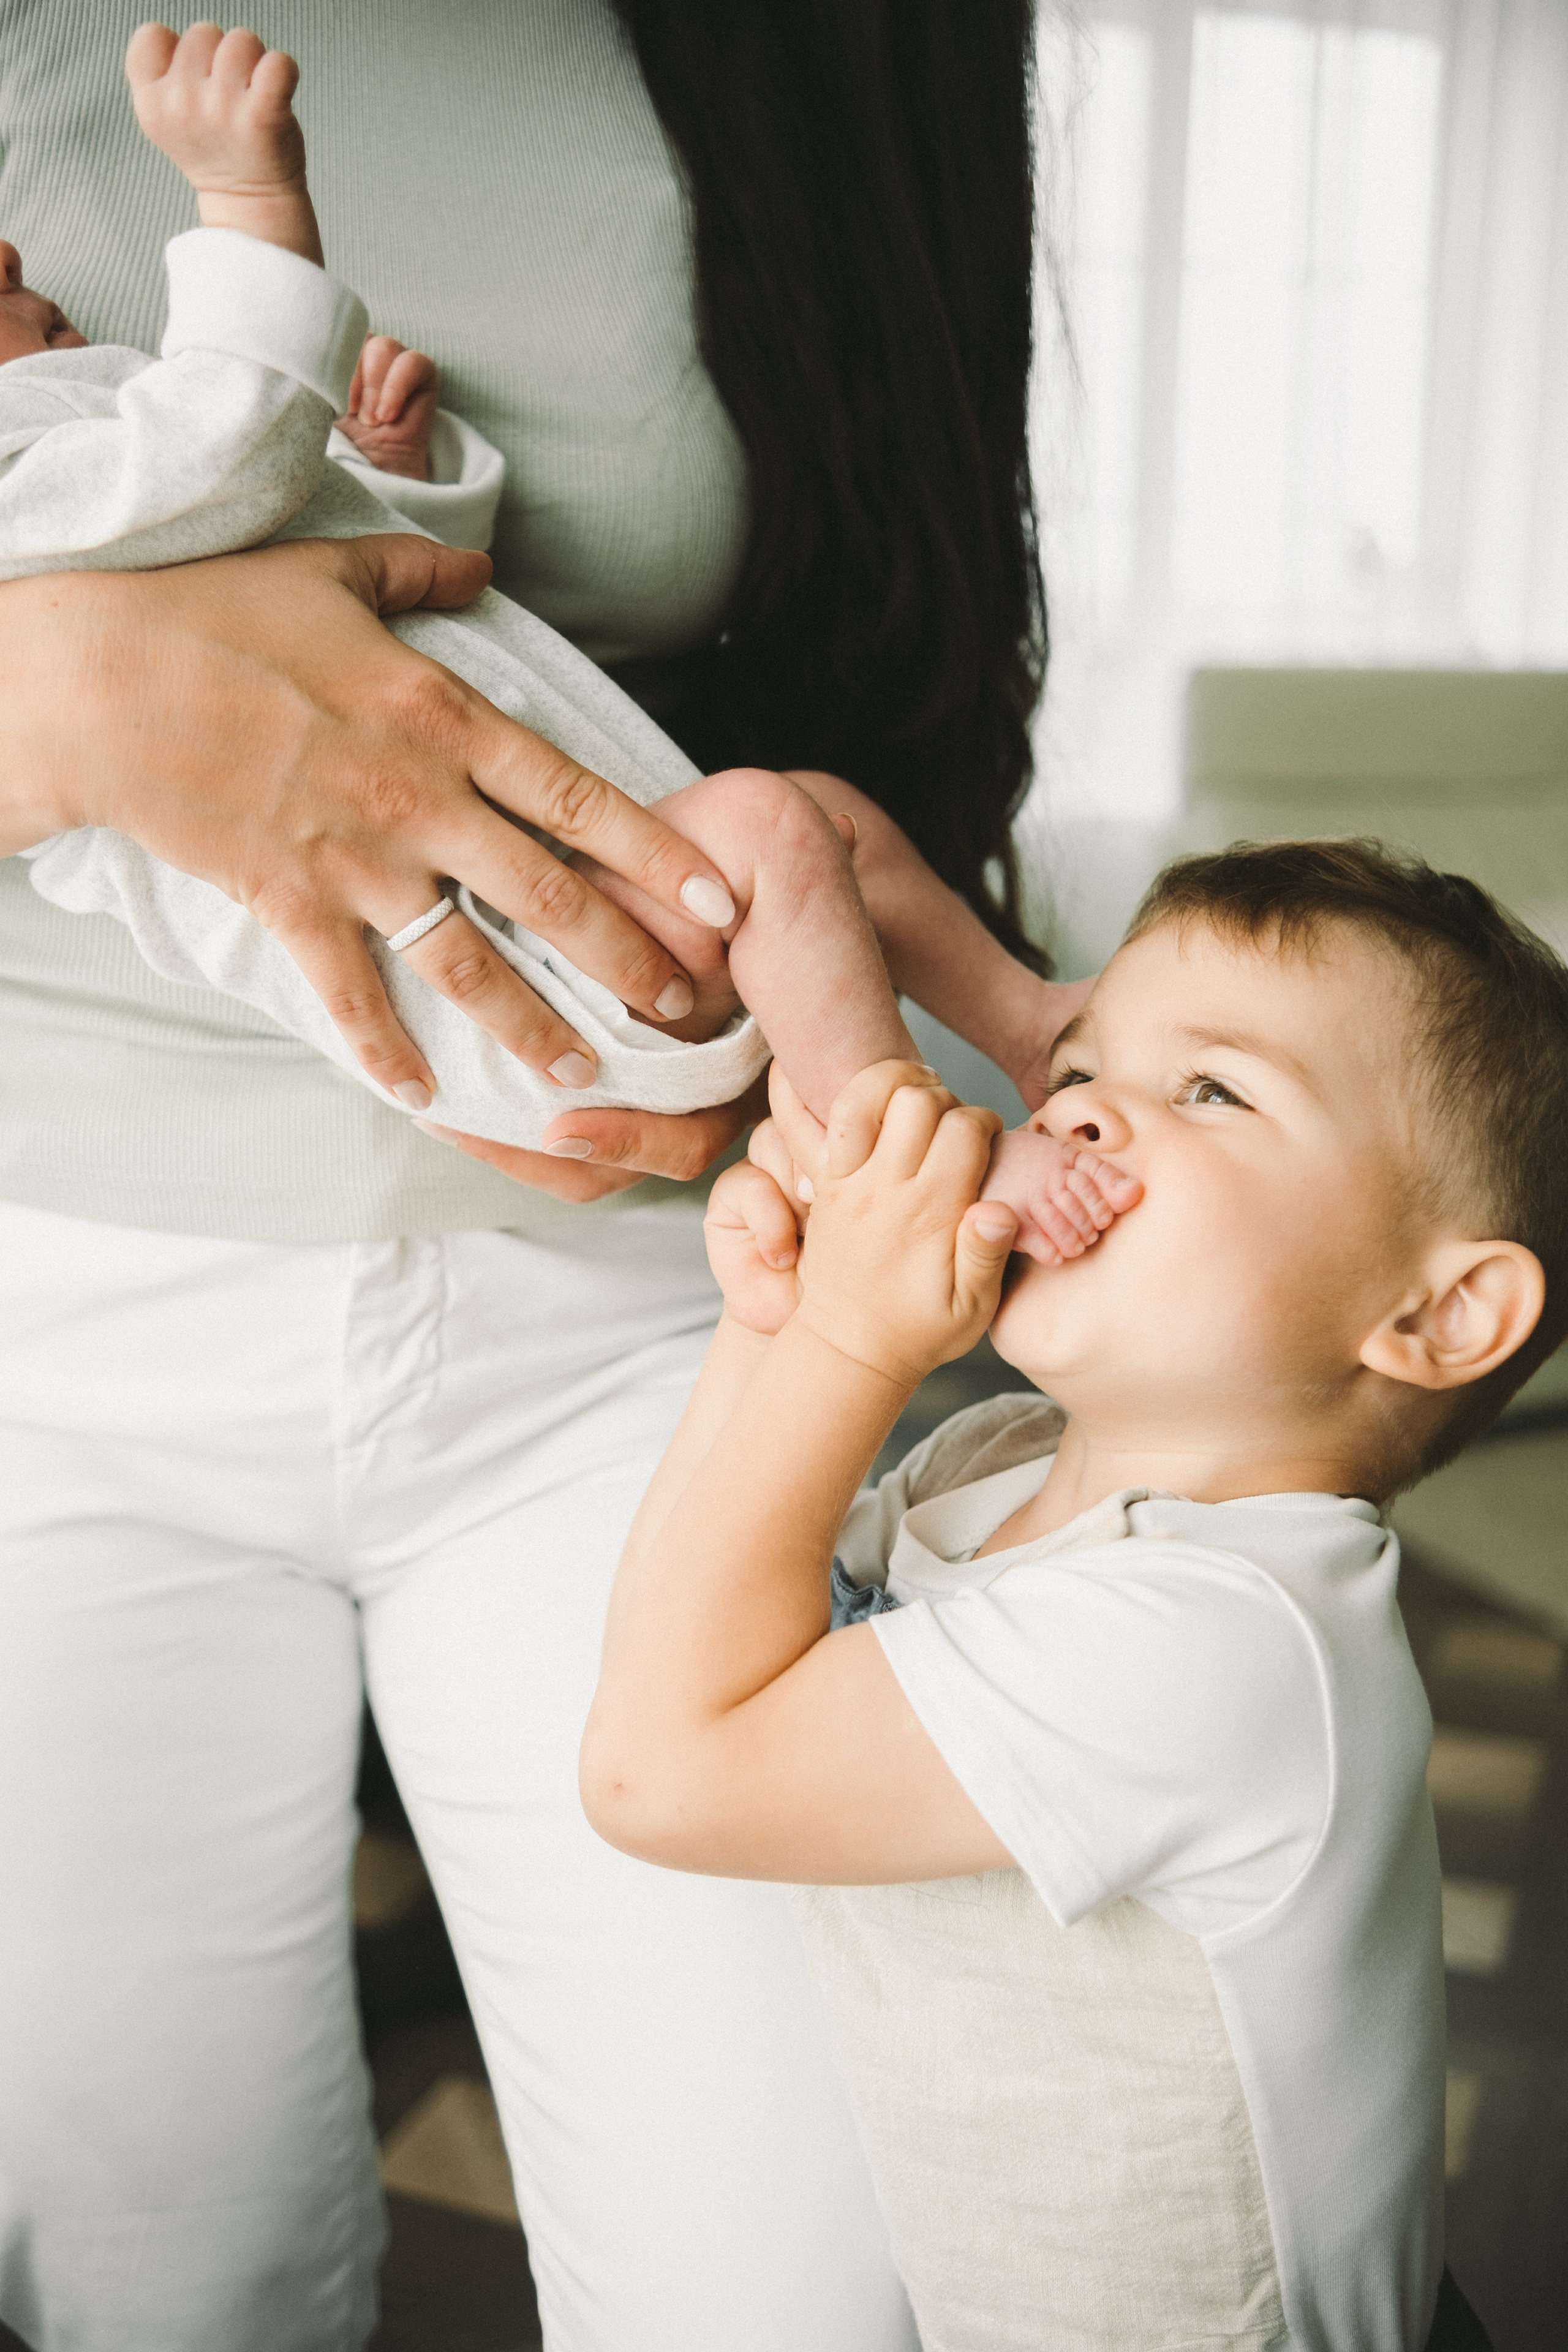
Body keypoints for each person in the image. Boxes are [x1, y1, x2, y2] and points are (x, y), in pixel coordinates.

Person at [0, 6, 1059, 2346]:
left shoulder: (826, 60)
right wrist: (62, 703)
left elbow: (375, 557)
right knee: (161, 2273)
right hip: (52, 1317)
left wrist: (387, 473)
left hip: (645, 1309)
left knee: (793, 2283)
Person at [582, 840, 1568, 2351]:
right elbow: (725, 1624)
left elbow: (661, 1768)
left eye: (1213, 1091)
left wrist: (843, 1344)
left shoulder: (1225, 1640)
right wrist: (777, 1322)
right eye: (1083, 1066)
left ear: (1434, 1313)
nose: (1077, 1110)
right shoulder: (990, 1465)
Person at [7, 23, 1133, 1256]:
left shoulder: (82, 462)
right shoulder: (32, 466)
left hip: (574, 1056)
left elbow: (375, 579)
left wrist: (384, 475)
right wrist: (245, 201)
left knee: (819, 825)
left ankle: (1025, 1027)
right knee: (774, 831)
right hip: (430, 1002)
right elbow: (233, 431)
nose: (12, 253)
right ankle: (903, 1174)